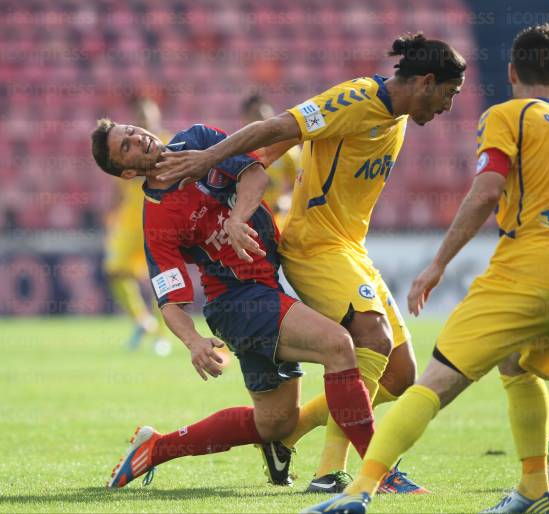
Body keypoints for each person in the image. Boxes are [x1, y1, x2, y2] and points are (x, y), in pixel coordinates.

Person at [154, 32, 466, 493]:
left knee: (400, 376)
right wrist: (212, 158)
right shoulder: (356, 99)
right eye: (448, 94)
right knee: (370, 338)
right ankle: (331, 474)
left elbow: (282, 143)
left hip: (350, 246)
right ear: (425, 81)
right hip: (316, 245)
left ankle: (291, 433)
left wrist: (259, 162)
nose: (447, 106)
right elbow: (278, 126)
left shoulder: (394, 113)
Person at [303, 23, 549, 514]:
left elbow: (486, 191)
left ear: (511, 71)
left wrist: (437, 265)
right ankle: (532, 491)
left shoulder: (508, 115)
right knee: (518, 367)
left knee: (433, 382)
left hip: (527, 277)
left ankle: (357, 493)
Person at [91, 119, 379, 489]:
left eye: (130, 131)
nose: (136, 138)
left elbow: (255, 175)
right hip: (238, 302)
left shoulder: (197, 139)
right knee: (339, 346)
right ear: (129, 171)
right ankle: (378, 471)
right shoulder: (157, 219)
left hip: (265, 287)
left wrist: (237, 219)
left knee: (276, 423)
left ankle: (157, 448)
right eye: (126, 146)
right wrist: (193, 342)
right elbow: (169, 298)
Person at [103, 98, 173, 355]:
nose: (145, 120)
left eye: (149, 115)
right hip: (130, 222)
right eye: (141, 115)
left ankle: (161, 336)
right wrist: (110, 218)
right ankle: (142, 321)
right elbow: (117, 187)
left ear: (157, 117)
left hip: (159, 220)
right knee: (114, 271)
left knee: (161, 280)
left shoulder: (168, 143)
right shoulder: (127, 149)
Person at [240, 94, 301, 230]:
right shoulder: (238, 152)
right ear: (245, 119)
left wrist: (285, 200)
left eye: (267, 117)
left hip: (278, 223)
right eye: (257, 116)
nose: (263, 122)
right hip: (247, 224)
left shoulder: (289, 151)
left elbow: (300, 186)